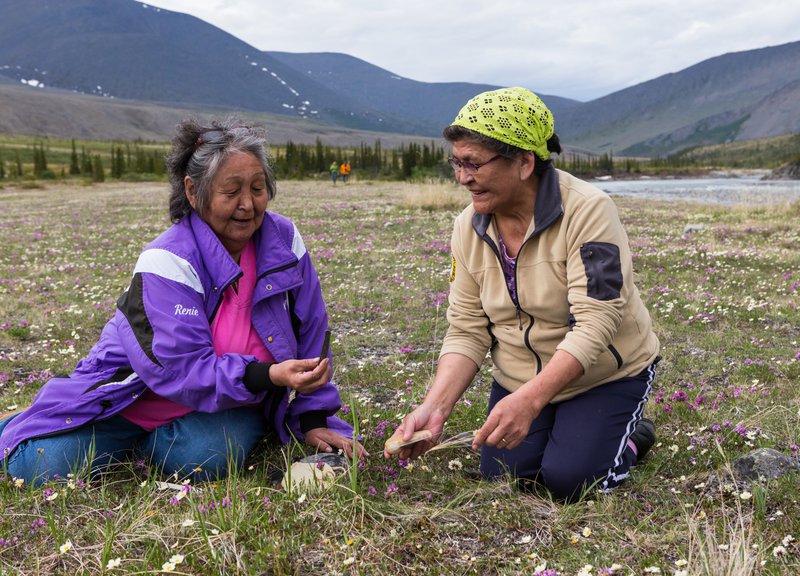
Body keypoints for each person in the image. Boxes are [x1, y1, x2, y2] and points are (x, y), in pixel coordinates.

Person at [0, 118, 364, 486]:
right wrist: (267, 375)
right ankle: (28, 423)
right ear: (193, 191)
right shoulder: (167, 260)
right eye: (231, 191)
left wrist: (314, 421)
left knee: (205, 459)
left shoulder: (284, 242)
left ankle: (152, 451)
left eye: (257, 188)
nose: (247, 204)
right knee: (37, 467)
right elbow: (182, 370)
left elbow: (313, 333)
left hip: (220, 406)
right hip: (129, 402)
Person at [384, 87, 660, 502]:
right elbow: (466, 330)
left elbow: (597, 323)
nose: (462, 177)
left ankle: (633, 435)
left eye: (473, 163)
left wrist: (529, 402)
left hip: (604, 375)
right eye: (456, 163)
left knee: (571, 482)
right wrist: (435, 408)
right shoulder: (468, 226)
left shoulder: (588, 210)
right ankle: (569, 428)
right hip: (519, 377)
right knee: (505, 477)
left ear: (525, 162)